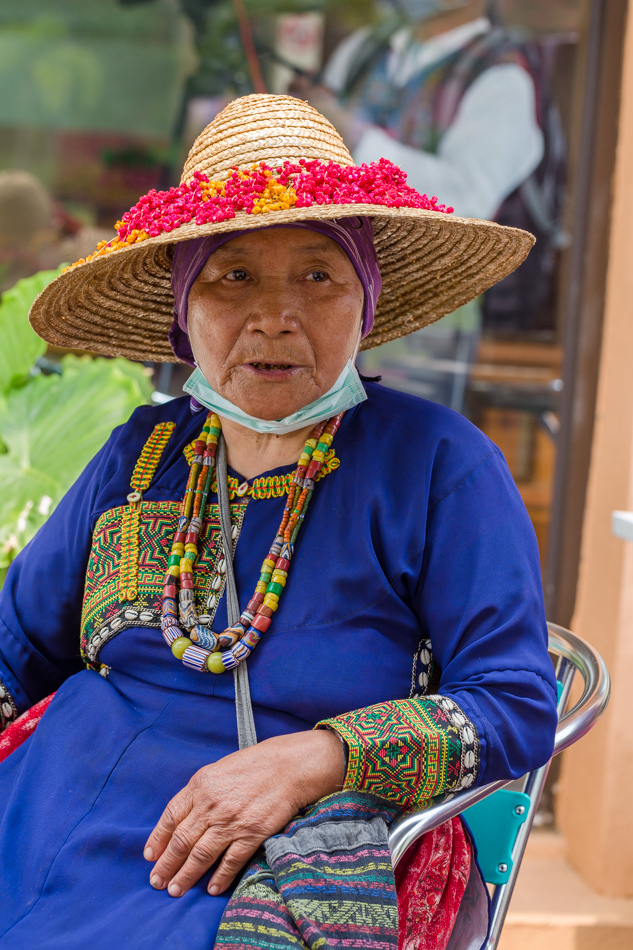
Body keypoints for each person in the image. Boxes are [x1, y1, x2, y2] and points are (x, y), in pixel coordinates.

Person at [0, 94, 557, 949]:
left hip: (266, 854)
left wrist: (314, 758)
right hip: (50, 807)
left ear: (364, 302)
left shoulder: (437, 463)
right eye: (232, 276)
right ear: (184, 310)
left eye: (316, 275)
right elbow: (18, 650)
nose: (274, 316)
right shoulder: (140, 455)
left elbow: (514, 705)